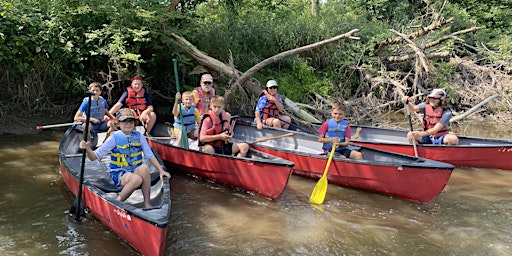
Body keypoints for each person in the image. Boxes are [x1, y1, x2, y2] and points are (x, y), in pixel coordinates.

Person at [79, 108, 170, 208]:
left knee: (144, 168)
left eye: (131, 122)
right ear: (118, 124)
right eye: (124, 122)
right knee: (136, 179)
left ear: (134, 124)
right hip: (119, 172)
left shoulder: (139, 136)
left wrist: (161, 170)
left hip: (135, 169)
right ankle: (117, 202)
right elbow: (94, 157)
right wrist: (87, 149)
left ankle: (147, 203)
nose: (128, 124)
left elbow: (150, 155)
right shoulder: (114, 137)